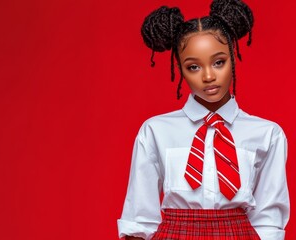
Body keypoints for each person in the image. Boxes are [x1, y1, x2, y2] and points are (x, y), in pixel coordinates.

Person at [117, 0, 290, 239]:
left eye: (219, 62)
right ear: (179, 68)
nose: (208, 76)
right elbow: (140, 217)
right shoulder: (155, 130)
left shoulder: (268, 134)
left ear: (233, 57)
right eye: (194, 67)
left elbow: (269, 220)